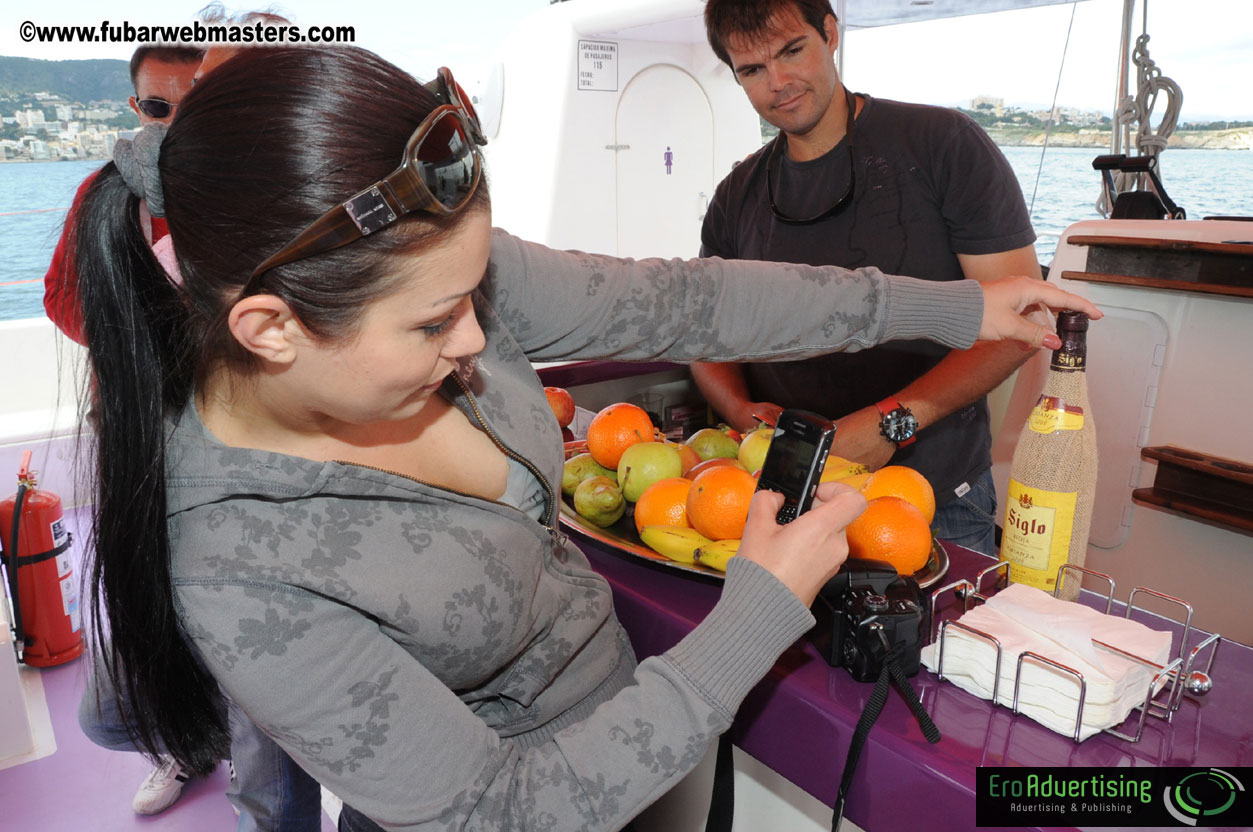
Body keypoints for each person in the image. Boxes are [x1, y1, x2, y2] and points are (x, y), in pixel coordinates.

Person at [69, 46, 1098, 832]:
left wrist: (954, 309)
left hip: (651, 732)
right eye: (433, 325)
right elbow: (496, 807)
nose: (478, 339)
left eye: (474, 292)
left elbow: (686, 302)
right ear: (270, 328)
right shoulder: (235, 563)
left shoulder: (431, 275)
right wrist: (758, 613)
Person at [693, 0, 1047, 555]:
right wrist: (740, 409)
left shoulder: (943, 144)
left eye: (792, 51)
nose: (779, 83)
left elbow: (1023, 320)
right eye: (752, 70)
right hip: (787, 500)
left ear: (830, 33)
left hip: (928, 499)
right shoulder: (736, 194)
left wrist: (891, 424)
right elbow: (703, 330)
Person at [43, 44, 202, 344]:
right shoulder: (101, 190)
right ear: (137, 108)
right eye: (157, 107)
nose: (174, 122)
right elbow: (61, 294)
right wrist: (140, 344)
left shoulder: (244, 185)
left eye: (192, 104)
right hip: (134, 380)